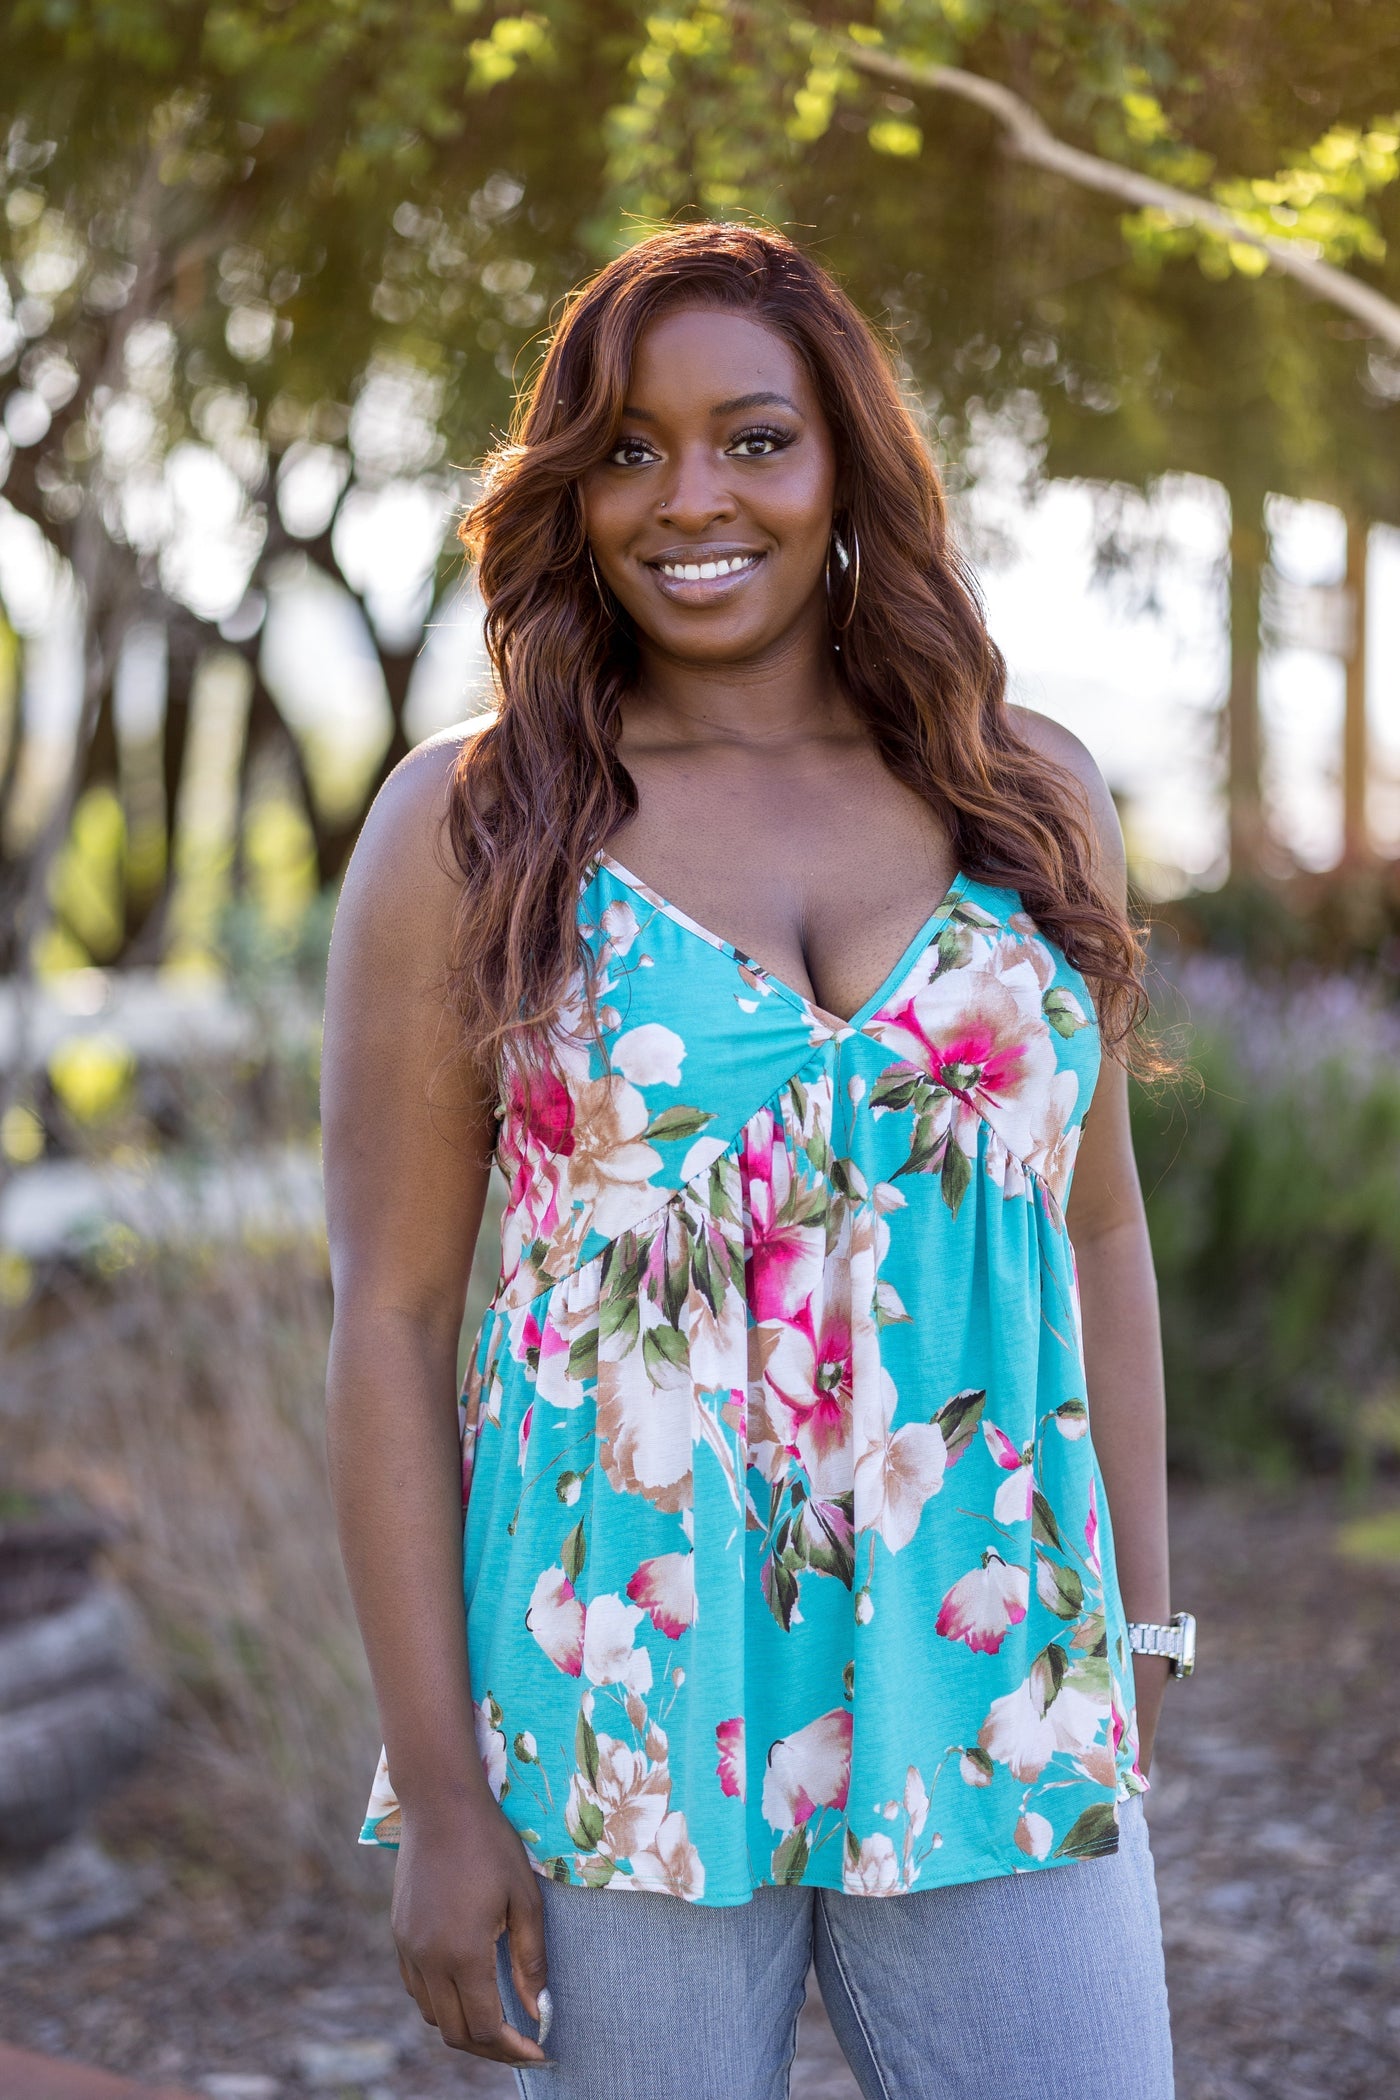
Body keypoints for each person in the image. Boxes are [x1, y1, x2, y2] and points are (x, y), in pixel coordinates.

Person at [321, 222, 1181, 2100]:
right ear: (572, 488)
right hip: (624, 1711)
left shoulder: (1026, 794)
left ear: (844, 465)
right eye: (629, 448)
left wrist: (1143, 1629)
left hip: (993, 1691)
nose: (689, 495)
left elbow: (1094, 1232)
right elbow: (385, 1320)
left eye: (755, 439)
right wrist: (444, 1806)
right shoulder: (477, 827)